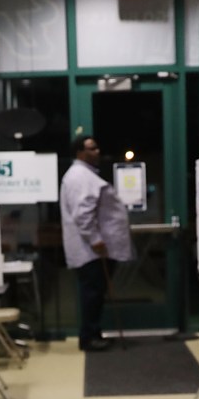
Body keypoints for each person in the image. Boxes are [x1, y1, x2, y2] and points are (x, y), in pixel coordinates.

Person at [59, 134, 132, 352]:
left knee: (95, 293)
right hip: (91, 249)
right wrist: (95, 239)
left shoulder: (83, 175)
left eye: (97, 148)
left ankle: (93, 333)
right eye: (92, 148)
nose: (97, 152)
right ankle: (89, 337)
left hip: (93, 248)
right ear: (79, 153)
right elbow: (82, 213)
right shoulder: (80, 176)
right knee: (92, 293)